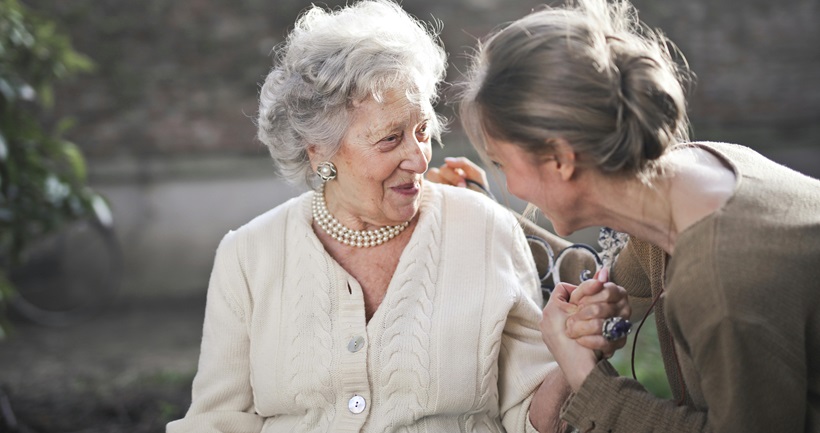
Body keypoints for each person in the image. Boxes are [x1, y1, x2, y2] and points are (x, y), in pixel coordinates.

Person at [166, 1, 629, 432]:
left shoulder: (486, 231)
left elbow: (525, 416)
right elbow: (217, 420)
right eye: (390, 139)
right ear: (319, 152)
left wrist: (574, 354)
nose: (418, 158)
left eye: (423, 130)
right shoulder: (248, 256)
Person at [450, 0, 820, 431]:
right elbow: (605, 285)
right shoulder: (691, 175)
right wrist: (599, 312)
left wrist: (588, 379)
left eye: (501, 165)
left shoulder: (720, 282)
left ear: (560, 160)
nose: (511, 188)